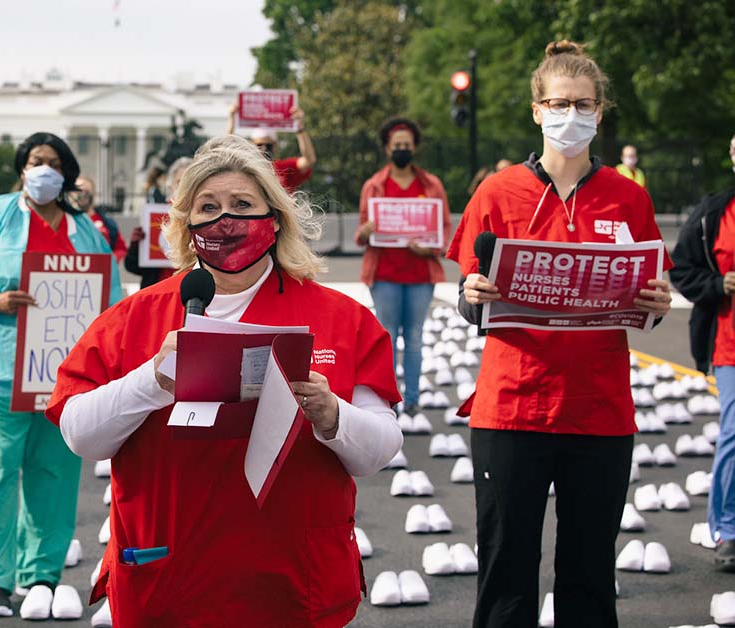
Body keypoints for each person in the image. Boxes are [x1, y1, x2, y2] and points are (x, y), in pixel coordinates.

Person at [47, 135, 403, 627]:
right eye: (208, 207)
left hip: (291, 585)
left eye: (242, 205)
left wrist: (332, 414)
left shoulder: (343, 319)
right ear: (187, 225)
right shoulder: (135, 318)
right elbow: (80, 434)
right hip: (171, 580)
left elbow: (380, 450)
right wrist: (152, 379)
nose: (225, 220)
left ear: (274, 219)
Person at [451, 41, 672, 628]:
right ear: (536, 110)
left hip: (599, 411)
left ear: (600, 112)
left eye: (583, 104)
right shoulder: (497, 193)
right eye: (558, 102)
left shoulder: (629, 198)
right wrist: (471, 297)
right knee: (506, 572)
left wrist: (657, 304)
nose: (569, 115)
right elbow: (468, 296)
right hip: (512, 408)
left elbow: (648, 300)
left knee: (590, 575)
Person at [0, 132, 124, 619]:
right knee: (2, 468)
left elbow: (112, 296)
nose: (44, 169)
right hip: (1, 367)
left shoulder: (85, 230)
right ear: (22, 167)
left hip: (66, 374)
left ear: (66, 172)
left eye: (54, 162)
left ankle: (41, 573)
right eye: (36, 160)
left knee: (57, 472)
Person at [668, 131, 735, 570]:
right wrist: (719, 284)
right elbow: (682, 269)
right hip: (729, 343)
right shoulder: (715, 211)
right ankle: (728, 530)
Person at [354, 118, 451, 414]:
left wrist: (431, 246)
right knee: (387, 337)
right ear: (387, 148)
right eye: (397, 146)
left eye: (406, 146)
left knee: (415, 337)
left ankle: (411, 401)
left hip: (421, 274)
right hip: (384, 274)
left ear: (415, 148)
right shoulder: (374, 186)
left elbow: (444, 229)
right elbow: (360, 235)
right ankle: (388, 400)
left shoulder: (431, 185)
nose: (402, 150)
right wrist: (367, 232)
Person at [125, 156, 191, 289]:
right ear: (171, 186)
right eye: (179, 182)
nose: (183, 187)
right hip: (157, 290)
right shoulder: (155, 216)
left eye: (189, 182)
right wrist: (137, 246)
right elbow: (131, 266)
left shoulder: (205, 216)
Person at [226, 99, 316, 193]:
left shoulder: (284, 169)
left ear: (275, 146)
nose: (264, 149)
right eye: (259, 145)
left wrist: (299, 127)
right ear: (252, 146)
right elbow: (226, 154)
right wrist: (232, 120)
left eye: (268, 145)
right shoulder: (244, 170)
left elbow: (309, 160)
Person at [72, 175, 127, 262]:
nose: (81, 195)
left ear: (92, 194)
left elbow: (120, 247)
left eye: (86, 191)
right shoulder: (66, 219)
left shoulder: (106, 222)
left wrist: (111, 260)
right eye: (78, 191)